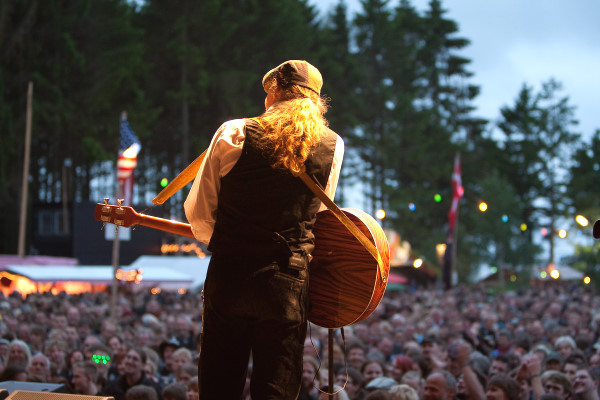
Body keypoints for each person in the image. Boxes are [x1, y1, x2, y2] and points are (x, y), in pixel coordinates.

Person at [184, 59, 344, 399]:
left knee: (219, 386)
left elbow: (198, 213)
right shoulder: (333, 145)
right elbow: (316, 214)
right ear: (316, 102)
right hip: (287, 282)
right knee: (276, 389)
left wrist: (229, 240)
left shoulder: (234, 132)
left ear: (274, 93)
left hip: (231, 275)